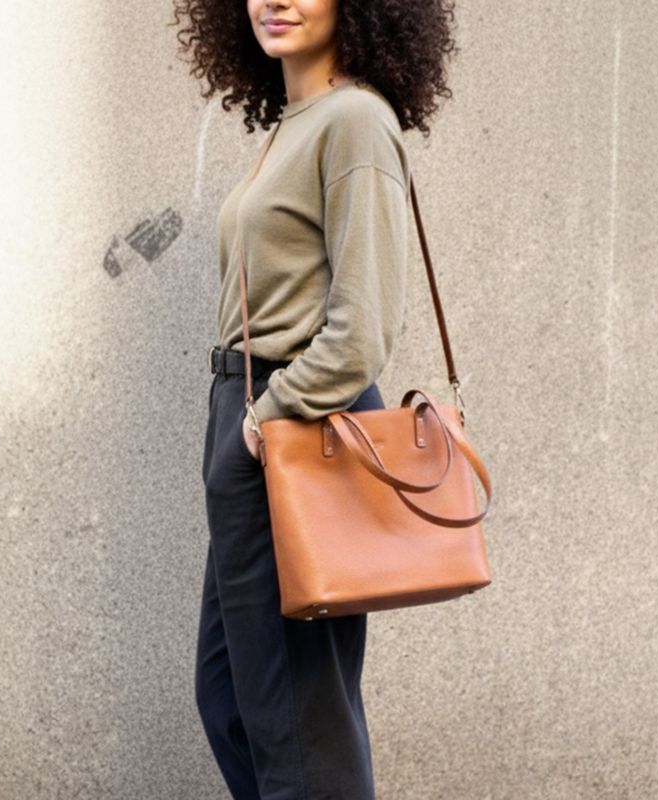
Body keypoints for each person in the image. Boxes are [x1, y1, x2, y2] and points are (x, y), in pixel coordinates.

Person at [174, 1, 457, 797]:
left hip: (292, 425)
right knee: (233, 696)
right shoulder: (297, 122)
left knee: (303, 725)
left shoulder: (356, 121)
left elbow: (363, 330)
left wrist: (265, 416)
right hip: (251, 421)